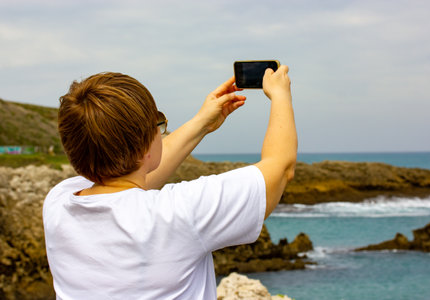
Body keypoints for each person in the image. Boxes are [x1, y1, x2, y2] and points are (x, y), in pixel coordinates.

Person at [43, 65, 297, 299]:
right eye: (158, 122)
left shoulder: (58, 203)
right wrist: (280, 94)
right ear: (146, 146)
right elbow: (280, 166)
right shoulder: (178, 214)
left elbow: (130, 175)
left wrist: (202, 123)